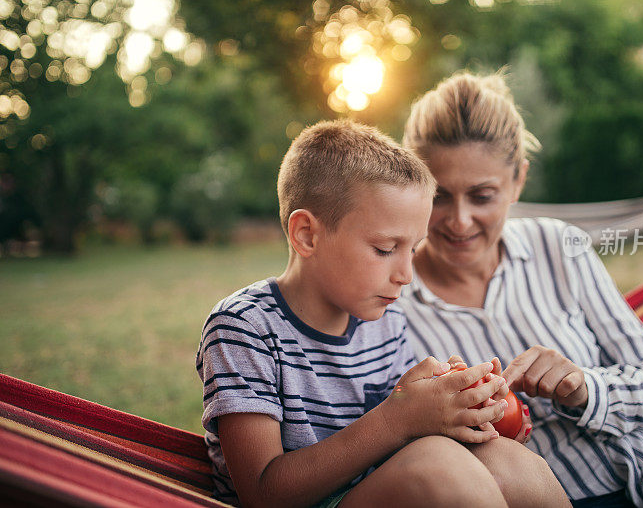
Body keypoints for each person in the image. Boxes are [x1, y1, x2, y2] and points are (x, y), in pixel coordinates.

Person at [397, 72, 643, 507]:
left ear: (518, 180)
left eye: (482, 196)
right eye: (439, 196)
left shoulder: (559, 245)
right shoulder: (392, 302)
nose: (460, 220)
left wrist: (584, 388)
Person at [195, 120, 571, 508]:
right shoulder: (244, 327)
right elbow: (263, 493)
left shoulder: (387, 323)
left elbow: (405, 435)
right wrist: (400, 418)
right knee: (438, 468)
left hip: (374, 490)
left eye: (412, 249)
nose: (406, 274)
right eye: (385, 248)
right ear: (307, 235)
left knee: (510, 461)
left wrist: (458, 414)